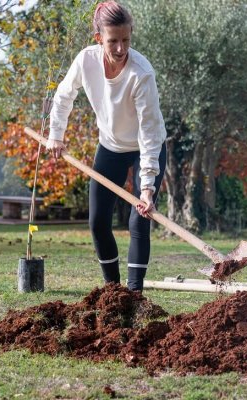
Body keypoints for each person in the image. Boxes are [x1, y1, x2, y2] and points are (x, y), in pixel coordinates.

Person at [47, 1, 166, 292]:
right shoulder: (86, 61)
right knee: (98, 222)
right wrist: (56, 135)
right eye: (113, 41)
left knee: (139, 219)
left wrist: (147, 188)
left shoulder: (141, 73)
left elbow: (149, 133)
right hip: (110, 147)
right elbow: (64, 96)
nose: (120, 48)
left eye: (126, 40)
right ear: (99, 37)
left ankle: (135, 293)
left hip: (144, 149)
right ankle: (113, 293)